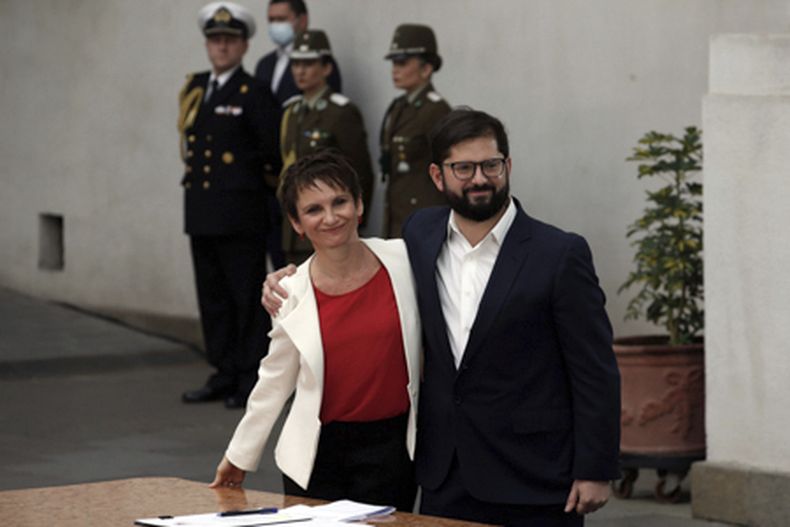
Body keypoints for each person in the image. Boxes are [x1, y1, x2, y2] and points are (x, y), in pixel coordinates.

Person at [264, 109, 621, 526]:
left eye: (491, 165)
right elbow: (353, 258)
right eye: (463, 168)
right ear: (438, 176)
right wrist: (289, 281)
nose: (479, 178)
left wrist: (595, 468)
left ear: (507, 166)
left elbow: (594, 369)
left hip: (535, 476)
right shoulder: (419, 235)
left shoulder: (559, 254)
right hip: (444, 476)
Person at [209, 150, 420, 512]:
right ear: (296, 223)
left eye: (340, 202)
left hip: (395, 449)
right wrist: (239, 455)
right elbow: (274, 379)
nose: (330, 217)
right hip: (317, 455)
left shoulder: (405, 260)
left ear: (359, 205)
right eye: (313, 210)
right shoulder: (290, 292)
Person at [178, 2, 280, 409]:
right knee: (213, 299)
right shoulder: (197, 88)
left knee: (245, 302)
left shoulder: (254, 93)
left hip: (240, 216)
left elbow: (270, 153)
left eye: (229, 41)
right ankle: (222, 370)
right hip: (202, 213)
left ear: (244, 45)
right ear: (207, 45)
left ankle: (248, 376)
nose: (221, 47)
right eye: (215, 40)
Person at [279, 29, 374, 262]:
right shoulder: (292, 111)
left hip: (332, 229)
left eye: (309, 63)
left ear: (327, 68)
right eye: (296, 64)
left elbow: (360, 173)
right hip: (297, 230)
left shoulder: (341, 112)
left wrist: (353, 224)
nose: (300, 71)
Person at [380, 24, 451, 238]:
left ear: (426, 68)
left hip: (424, 218)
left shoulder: (436, 110)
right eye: (393, 63)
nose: (395, 69)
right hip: (398, 216)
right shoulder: (398, 106)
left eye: (402, 63)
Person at [255, 0, 341, 105]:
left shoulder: (321, 61)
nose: (275, 25)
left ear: (303, 21)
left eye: (281, 19)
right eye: (271, 20)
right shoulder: (264, 64)